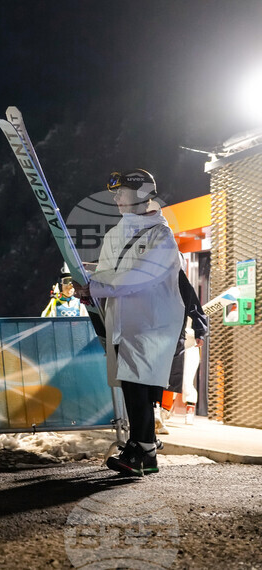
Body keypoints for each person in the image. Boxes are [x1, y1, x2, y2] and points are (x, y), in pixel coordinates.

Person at [73, 169, 184, 477]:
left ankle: (145, 451)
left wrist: (94, 286)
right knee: (131, 384)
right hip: (125, 319)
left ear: (141, 196)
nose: (116, 198)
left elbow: (138, 278)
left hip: (151, 322)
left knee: (138, 383)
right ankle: (140, 446)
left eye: (122, 193)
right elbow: (113, 270)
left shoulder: (161, 236)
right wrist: (87, 274)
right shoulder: (119, 231)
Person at [161, 270, 208, 426]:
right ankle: (160, 411)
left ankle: (164, 411)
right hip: (162, 336)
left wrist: (199, 332)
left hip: (181, 339)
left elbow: (194, 306)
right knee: (161, 377)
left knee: (182, 378)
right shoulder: (150, 277)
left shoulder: (179, 280)